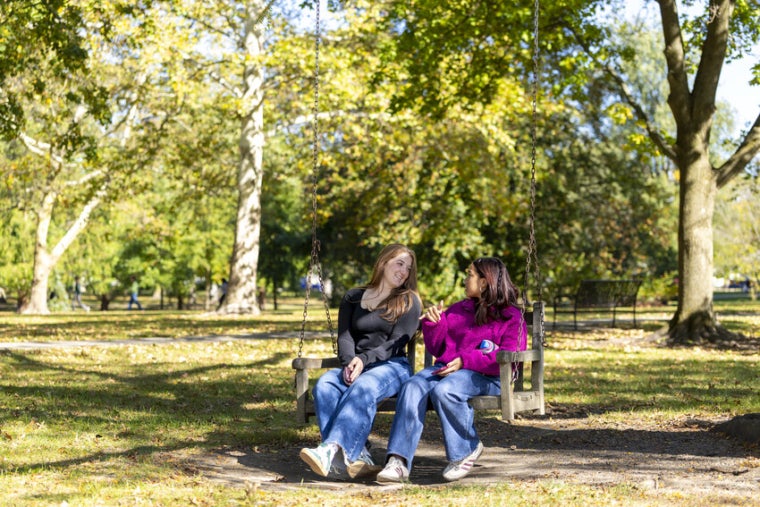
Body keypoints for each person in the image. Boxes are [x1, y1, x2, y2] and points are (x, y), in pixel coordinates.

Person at [376, 257, 527, 483]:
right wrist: (433, 324)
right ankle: (398, 460)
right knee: (413, 385)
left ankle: (466, 448)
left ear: (485, 282)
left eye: (470, 275)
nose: (465, 280)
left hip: (490, 377)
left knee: (446, 390)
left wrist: (465, 361)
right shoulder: (459, 310)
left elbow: (509, 357)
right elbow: (438, 347)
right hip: (446, 370)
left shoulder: (511, 316)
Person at [299, 244, 422, 480]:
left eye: (408, 268)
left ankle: (330, 450)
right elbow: (345, 337)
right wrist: (349, 362)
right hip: (356, 365)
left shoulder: (408, 301)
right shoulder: (353, 297)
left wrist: (363, 360)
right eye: (399, 263)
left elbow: (396, 343)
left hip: (392, 366)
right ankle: (360, 456)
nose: (404, 271)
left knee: (364, 386)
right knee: (325, 385)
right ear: (384, 262)